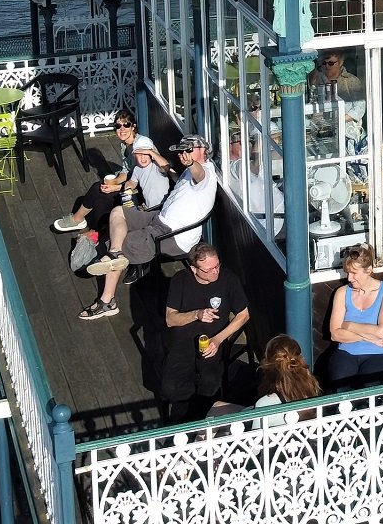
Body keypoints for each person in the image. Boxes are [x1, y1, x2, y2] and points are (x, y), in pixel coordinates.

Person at [79, 135, 220, 321]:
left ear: (202, 150)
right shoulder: (187, 174)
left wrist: (191, 163)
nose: (182, 155)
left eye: (187, 150)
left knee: (124, 242)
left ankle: (107, 301)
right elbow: (181, 179)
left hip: (172, 234)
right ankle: (114, 254)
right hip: (158, 217)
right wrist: (176, 170)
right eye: (181, 151)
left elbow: (198, 174)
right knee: (118, 212)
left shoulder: (206, 174)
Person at [159, 242, 251, 421]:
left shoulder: (228, 279)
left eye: (217, 265)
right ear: (194, 269)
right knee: (171, 387)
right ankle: (186, 418)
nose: (215, 271)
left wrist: (218, 339)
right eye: (208, 269)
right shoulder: (181, 280)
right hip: (183, 343)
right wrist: (197, 314)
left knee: (210, 384)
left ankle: (198, 418)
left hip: (212, 343)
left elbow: (244, 315)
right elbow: (171, 319)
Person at [51, 108, 173, 233]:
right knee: (102, 191)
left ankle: (78, 220)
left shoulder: (143, 146)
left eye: (126, 124)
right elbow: (126, 172)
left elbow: (159, 170)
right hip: (132, 184)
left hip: (142, 194)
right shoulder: (124, 146)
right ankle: (91, 224)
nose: (122, 129)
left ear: (133, 127)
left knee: (98, 191)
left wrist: (116, 187)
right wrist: (114, 182)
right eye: (118, 126)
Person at [323, 245, 383, 390]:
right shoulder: (342, 293)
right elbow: (335, 334)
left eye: (354, 273)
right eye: (347, 273)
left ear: (368, 270)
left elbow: (382, 332)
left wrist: (348, 325)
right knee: (339, 385)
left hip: (382, 352)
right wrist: (368, 337)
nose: (349, 278)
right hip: (348, 351)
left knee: (367, 386)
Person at [213, 334, 322, 421]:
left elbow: (255, 445)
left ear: (267, 364)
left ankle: (199, 447)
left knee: (216, 414)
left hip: (275, 443)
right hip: (300, 437)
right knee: (218, 407)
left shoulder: (265, 403)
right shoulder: (311, 386)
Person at [308, 51, 368, 149]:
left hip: (348, 134)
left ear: (340, 62)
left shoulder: (351, 81)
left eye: (331, 63)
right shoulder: (317, 80)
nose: (327, 66)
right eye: (324, 63)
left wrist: (337, 121)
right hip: (323, 135)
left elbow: (359, 108)